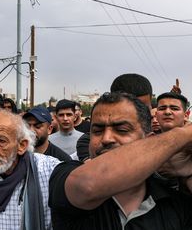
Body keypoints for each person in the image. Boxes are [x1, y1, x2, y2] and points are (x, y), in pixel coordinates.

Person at [49, 92, 192, 229]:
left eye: (122, 130)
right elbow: (88, 186)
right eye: (98, 131)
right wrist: (185, 133)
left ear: (148, 140)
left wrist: (187, 177)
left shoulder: (172, 202)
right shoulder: (65, 175)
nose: (106, 139)